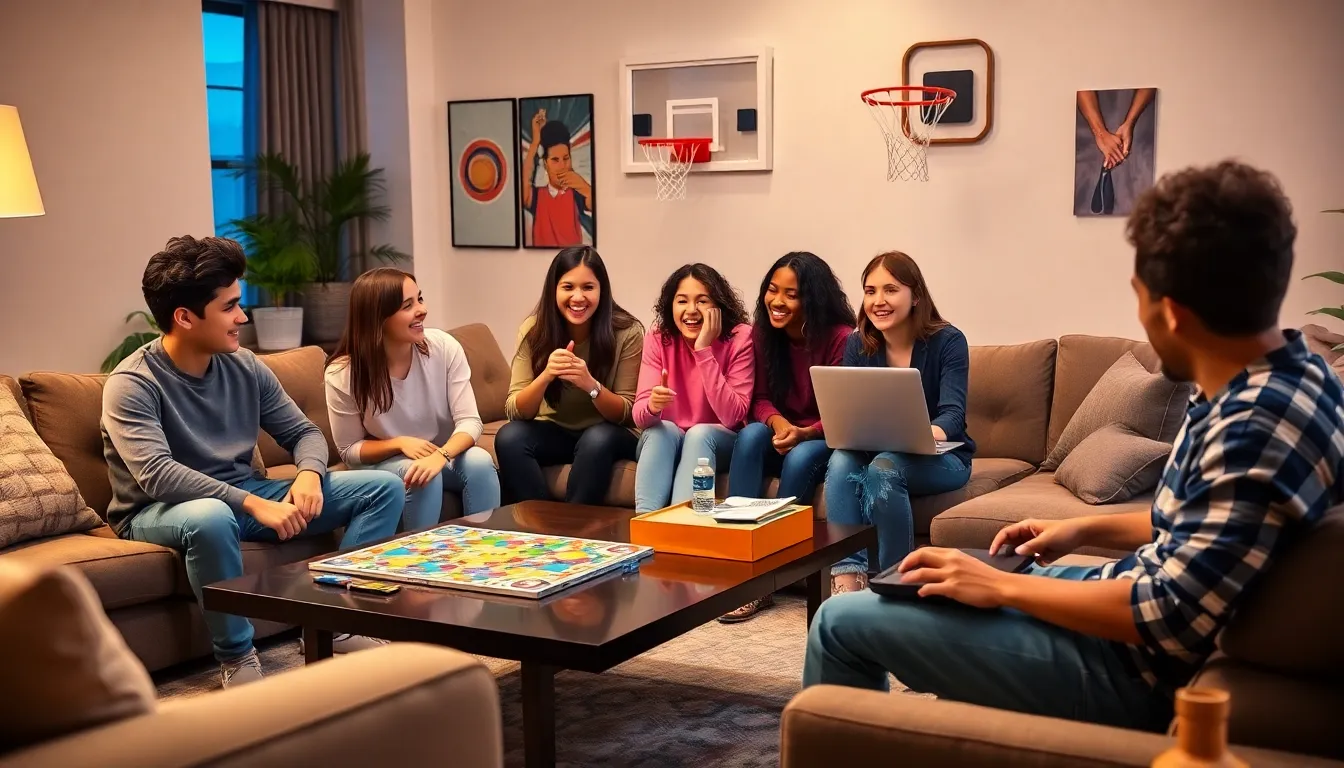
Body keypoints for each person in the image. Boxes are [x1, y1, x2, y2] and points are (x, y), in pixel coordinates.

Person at [804, 160, 1344, 732]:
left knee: (841, 621)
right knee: (920, 585)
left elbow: (1167, 614)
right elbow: (1206, 525)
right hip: (1117, 598)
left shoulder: (1251, 427)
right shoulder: (1295, 377)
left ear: (1171, 312)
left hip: (1128, 667)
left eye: (1137, 294)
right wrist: (1081, 530)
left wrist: (1004, 586)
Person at [101, 236, 405, 689]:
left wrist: (307, 475)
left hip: (244, 496)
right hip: (158, 510)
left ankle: (334, 624)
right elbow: (158, 475)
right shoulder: (132, 384)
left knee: (383, 487)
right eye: (229, 307)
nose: (242, 317)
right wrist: (250, 502)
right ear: (185, 317)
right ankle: (238, 659)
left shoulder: (245, 365)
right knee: (210, 515)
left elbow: (304, 433)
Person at [824, 252, 975, 594]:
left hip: (942, 458)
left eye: (890, 290)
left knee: (883, 467)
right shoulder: (857, 343)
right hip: (873, 450)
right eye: (870, 290)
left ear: (915, 295)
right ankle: (848, 578)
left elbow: (953, 414)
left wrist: (920, 434)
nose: (878, 301)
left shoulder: (949, 342)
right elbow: (850, 411)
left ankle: (895, 581)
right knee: (840, 458)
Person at [721, 251, 855, 622]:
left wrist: (805, 432)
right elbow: (759, 398)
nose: (776, 301)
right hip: (785, 431)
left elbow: (846, 410)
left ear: (812, 298)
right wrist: (779, 424)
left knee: (799, 457)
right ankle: (739, 569)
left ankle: (769, 579)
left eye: (790, 294)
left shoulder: (842, 340)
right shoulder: (766, 336)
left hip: (823, 438)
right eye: (772, 290)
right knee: (748, 437)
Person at [324, 268, 501, 528]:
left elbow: (470, 422)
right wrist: (399, 443)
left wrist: (440, 455)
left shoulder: (443, 347)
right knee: (420, 476)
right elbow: (349, 450)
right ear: (378, 318)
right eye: (408, 305)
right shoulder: (343, 373)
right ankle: (419, 561)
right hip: (384, 464)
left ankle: (486, 551)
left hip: (439, 453)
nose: (422, 310)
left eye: (420, 299)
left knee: (479, 462)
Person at [496, 246, 644, 505]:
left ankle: (573, 529)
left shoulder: (627, 331)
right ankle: (538, 528)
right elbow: (515, 410)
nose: (578, 297)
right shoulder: (534, 330)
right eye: (568, 287)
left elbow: (628, 412)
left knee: (597, 438)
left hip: (608, 433)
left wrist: (591, 385)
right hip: (555, 431)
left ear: (602, 290)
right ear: (554, 289)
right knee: (510, 436)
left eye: (588, 287)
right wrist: (545, 376)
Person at [632, 263, 754, 513]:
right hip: (671, 438)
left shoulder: (740, 337)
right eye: (682, 301)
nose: (691, 311)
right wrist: (653, 406)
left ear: (718, 306)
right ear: (670, 305)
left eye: (702, 301)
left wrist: (703, 349)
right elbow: (640, 416)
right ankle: (646, 527)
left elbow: (732, 416)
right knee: (659, 430)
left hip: (719, 439)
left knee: (699, 434)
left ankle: (682, 525)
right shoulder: (658, 338)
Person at [522, 108, 592, 248]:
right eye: (555, 160)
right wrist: (536, 142)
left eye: (566, 158)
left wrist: (583, 186)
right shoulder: (537, 196)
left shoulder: (578, 194)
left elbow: (597, 205)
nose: (562, 166)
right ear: (545, 164)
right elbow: (522, 189)